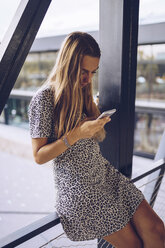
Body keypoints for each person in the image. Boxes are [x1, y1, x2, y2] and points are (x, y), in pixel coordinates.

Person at [28, 31, 164, 248]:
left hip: (105, 175)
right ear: (68, 64)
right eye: (84, 72)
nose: (88, 78)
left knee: (158, 231)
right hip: (80, 189)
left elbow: (97, 138)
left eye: (93, 72)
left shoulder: (82, 92)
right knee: (133, 245)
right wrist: (77, 134)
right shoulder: (44, 99)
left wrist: (97, 125)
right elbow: (38, 156)